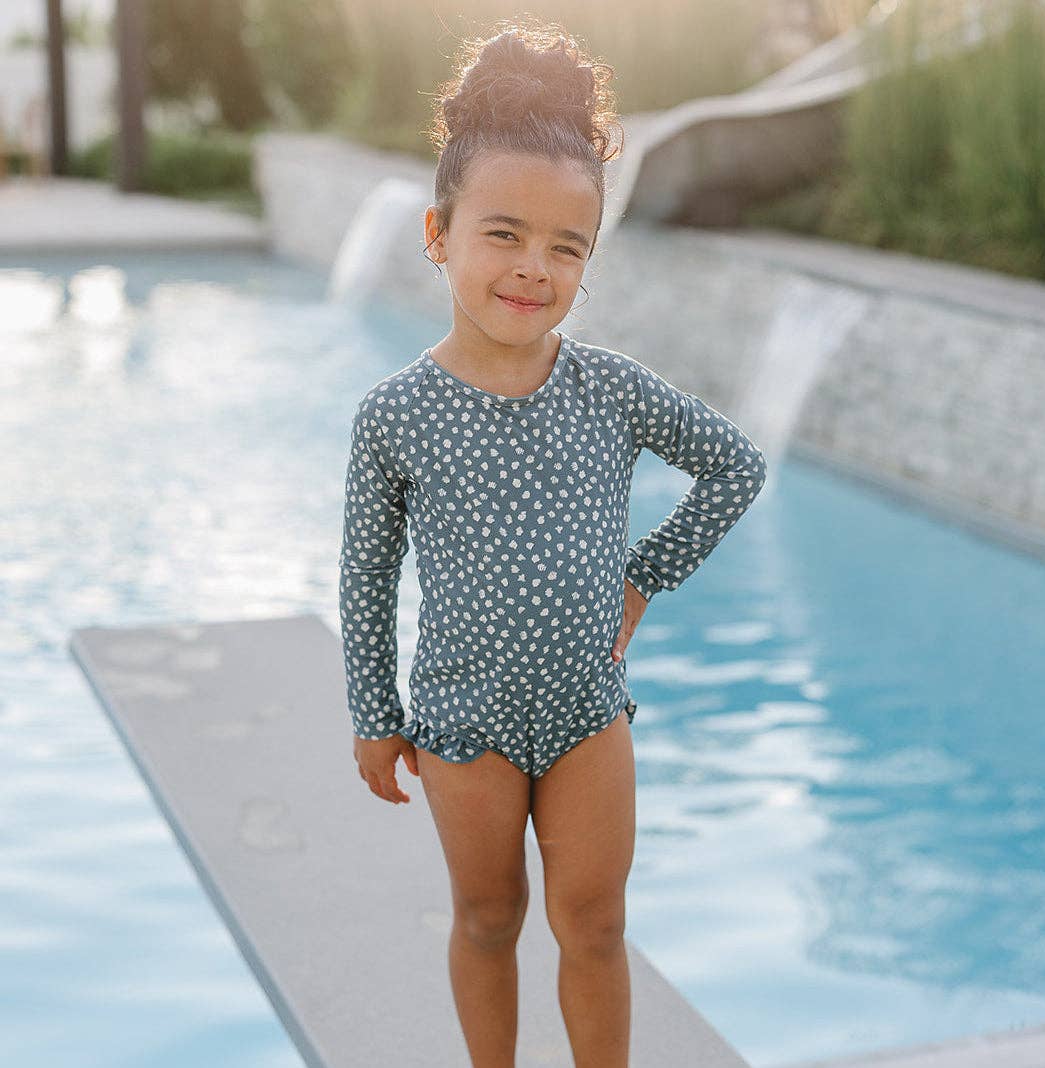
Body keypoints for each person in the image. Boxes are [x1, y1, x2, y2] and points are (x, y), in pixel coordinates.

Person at [338, 17, 767, 1067]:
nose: (533, 267)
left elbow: (735, 466)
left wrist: (643, 578)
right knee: (487, 919)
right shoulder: (394, 416)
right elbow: (363, 577)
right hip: (459, 723)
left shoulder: (610, 391)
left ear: (587, 260)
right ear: (438, 234)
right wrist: (372, 715)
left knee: (596, 927)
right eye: (503, 234)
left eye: (565, 247)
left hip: (585, 716)